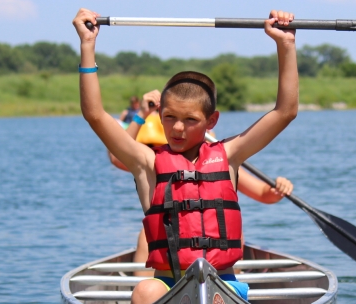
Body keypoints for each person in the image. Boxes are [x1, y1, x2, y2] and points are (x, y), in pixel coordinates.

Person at [73, 7, 298, 304]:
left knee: (225, 299)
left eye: (190, 119)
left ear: (211, 121)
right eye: (169, 117)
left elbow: (285, 112)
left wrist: (285, 46)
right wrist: (88, 46)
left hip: (223, 285)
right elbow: (96, 115)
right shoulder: (148, 163)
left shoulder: (229, 155)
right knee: (145, 289)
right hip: (168, 284)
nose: (177, 128)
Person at [108, 94, 294, 276]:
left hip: (218, 264)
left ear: (209, 123)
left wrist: (278, 188)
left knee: (229, 228)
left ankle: (228, 285)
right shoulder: (155, 161)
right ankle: (150, 294)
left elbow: (263, 194)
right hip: (170, 260)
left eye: (192, 120)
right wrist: (142, 113)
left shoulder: (220, 161)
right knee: (149, 232)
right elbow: (117, 158)